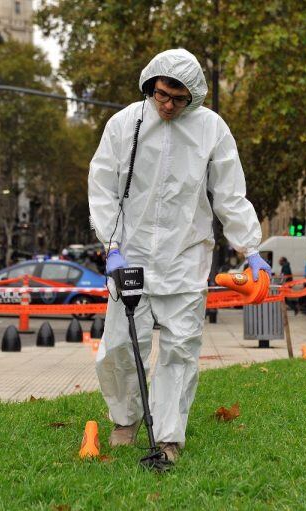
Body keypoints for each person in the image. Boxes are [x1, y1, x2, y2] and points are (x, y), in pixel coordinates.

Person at [88, 49, 270, 462]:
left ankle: (168, 436)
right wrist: (111, 247)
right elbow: (102, 188)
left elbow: (229, 193)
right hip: (129, 259)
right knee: (118, 346)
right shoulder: (124, 124)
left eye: (177, 98)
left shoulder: (211, 130)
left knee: (180, 350)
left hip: (185, 258)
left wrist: (251, 248)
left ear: (195, 97)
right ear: (151, 85)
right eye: (162, 94)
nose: (167, 105)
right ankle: (126, 420)